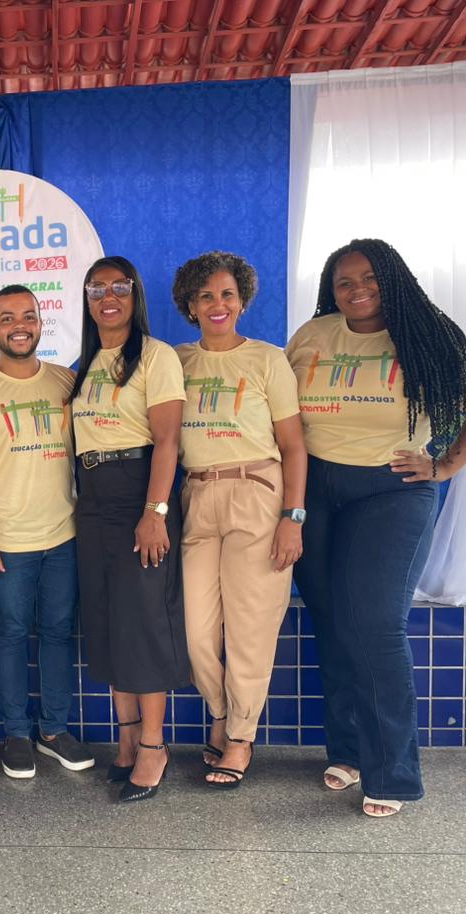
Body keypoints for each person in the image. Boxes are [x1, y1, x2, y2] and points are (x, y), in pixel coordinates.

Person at [287, 238, 466, 818]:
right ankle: (348, 751)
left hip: (393, 489)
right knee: (332, 620)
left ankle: (394, 773)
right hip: (316, 490)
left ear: (393, 280)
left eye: (370, 278)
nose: (357, 290)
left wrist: (446, 464)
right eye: (344, 282)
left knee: (376, 624)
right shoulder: (313, 336)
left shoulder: (432, 334)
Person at [170, 252, 306, 789]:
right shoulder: (176, 361)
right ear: (190, 306)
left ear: (242, 300)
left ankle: (240, 736)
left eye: (227, 294)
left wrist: (293, 517)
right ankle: (222, 712)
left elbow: (293, 446)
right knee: (197, 631)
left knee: (250, 627)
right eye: (205, 296)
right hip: (198, 495)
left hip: (257, 493)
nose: (217, 305)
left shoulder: (268, 360)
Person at [0, 284, 92, 779]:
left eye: (28, 316)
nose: (19, 326)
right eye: (8, 318)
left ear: (40, 323)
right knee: (11, 635)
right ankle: (16, 734)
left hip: (62, 536)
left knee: (58, 633)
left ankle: (54, 731)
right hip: (6, 542)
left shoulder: (66, 382)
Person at [69, 256, 189, 804]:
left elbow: (168, 440)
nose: (108, 297)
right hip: (93, 499)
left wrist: (155, 511)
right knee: (108, 621)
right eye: (97, 289)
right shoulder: (87, 362)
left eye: (119, 286)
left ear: (135, 294)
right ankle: (126, 740)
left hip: (138, 491)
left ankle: (153, 746)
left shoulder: (157, 356)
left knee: (141, 622)